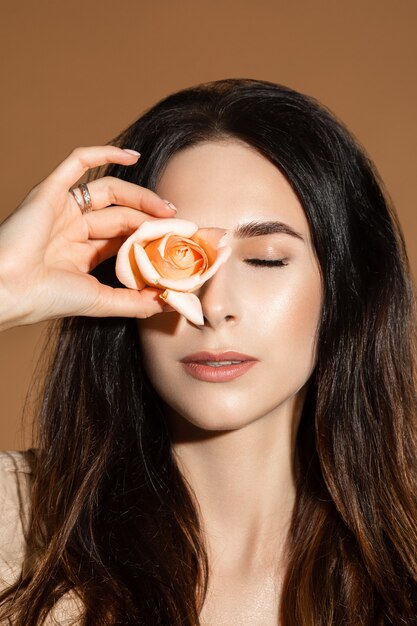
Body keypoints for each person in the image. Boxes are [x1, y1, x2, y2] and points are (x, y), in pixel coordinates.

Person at [0, 78, 416, 626]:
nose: (213, 308)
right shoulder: (16, 519)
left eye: (266, 259)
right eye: (180, 258)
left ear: (345, 289)